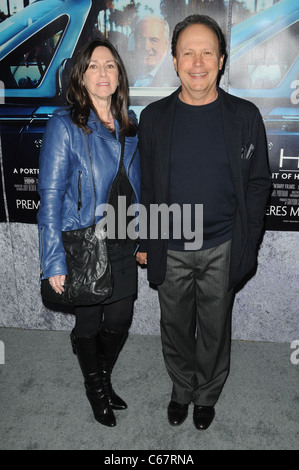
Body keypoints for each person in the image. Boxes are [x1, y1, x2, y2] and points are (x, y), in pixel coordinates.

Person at [136, 15, 271, 431]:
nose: (198, 62)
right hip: (171, 246)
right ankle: (181, 390)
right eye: (188, 53)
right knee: (174, 326)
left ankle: (207, 394)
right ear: (174, 61)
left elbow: (259, 183)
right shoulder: (153, 118)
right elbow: (148, 185)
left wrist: (245, 242)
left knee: (215, 329)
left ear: (222, 60)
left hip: (222, 245)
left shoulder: (245, 116)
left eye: (207, 52)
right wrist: (145, 238)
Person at [37, 38, 140, 427]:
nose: (103, 73)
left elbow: (139, 189)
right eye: (93, 65)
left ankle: (102, 374)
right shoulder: (64, 126)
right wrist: (53, 260)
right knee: (90, 323)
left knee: (120, 320)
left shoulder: (131, 126)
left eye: (110, 65)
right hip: (83, 243)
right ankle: (95, 389)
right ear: (80, 75)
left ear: (119, 75)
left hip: (123, 238)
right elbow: (49, 197)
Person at [129, 15, 179, 87]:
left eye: (153, 40)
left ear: (166, 44)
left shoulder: (175, 79)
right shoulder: (126, 72)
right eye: (141, 39)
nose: (147, 47)